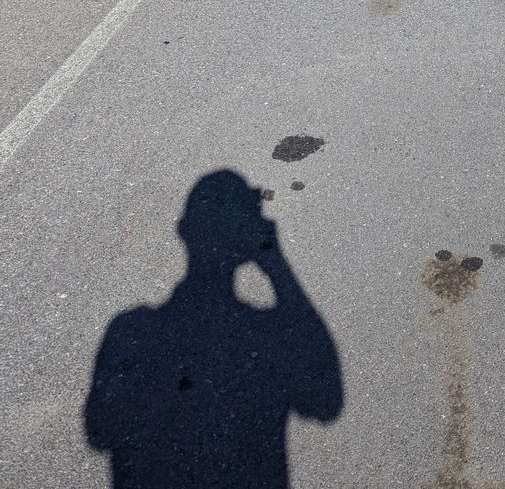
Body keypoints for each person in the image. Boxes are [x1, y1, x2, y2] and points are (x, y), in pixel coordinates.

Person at [84, 170, 343, 489]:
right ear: (250, 241)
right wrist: (275, 263)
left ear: (183, 232)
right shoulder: (267, 337)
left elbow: (99, 432)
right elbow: (326, 400)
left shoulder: (128, 332)